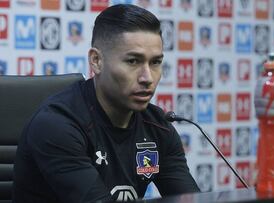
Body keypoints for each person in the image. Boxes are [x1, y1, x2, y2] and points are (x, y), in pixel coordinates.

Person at [13, 4, 200, 202]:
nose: (147, 77)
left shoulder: (158, 126)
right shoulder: (57, 125)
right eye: (133, 61)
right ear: (96, 61)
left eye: (155, 62)